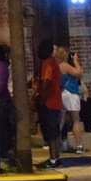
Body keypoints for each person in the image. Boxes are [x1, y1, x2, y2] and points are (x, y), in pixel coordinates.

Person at [37, 39, 63, 168]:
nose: (55, 51)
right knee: (55, 131)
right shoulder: (53, 63)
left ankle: (53, 159)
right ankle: (55, 157)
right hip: (55, 101)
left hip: (49, 102)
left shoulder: (47, 63)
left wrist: (41, 98)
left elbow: (46, 81)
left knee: (51, 132)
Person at [56, 46, 85, 153]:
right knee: (76, 120)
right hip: (71, 93)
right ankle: (79, 146)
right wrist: (76, 61)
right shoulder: (65, 66)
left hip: (61, 93)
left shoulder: (56, 66)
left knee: (61, 121)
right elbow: (79, 73)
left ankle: (57, 146)